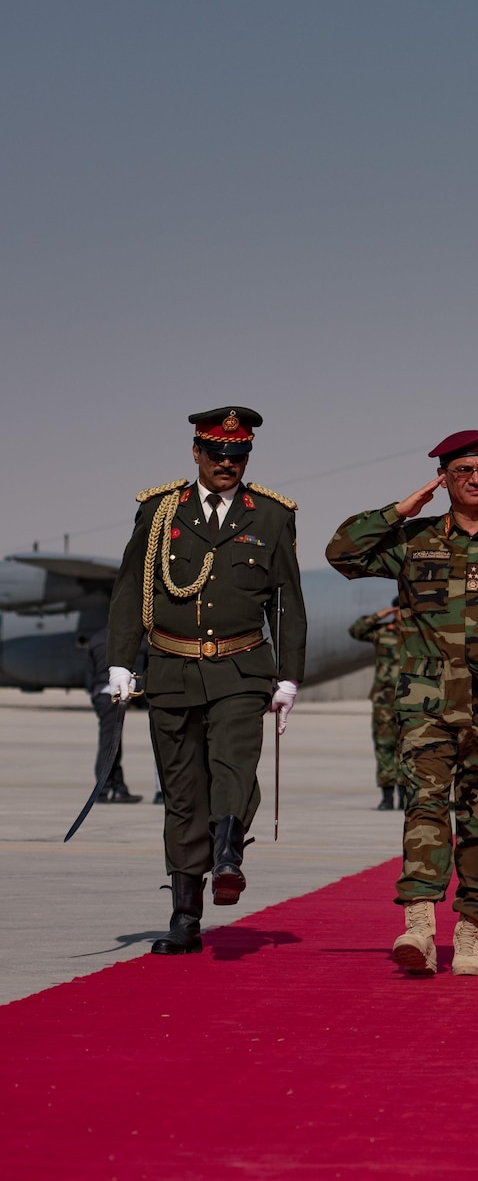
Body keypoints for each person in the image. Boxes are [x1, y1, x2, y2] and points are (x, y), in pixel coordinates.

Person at [326, 431, 478, 978]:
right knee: (426, 808)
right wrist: (400, 509)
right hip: (427, 702)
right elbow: (342, 552)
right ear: (445, 479)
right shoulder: (416, 537)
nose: (476, 478)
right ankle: (419, 930)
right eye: (463, 471)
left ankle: (472, 934)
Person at [106, 406, 305, 956]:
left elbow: (287, 601)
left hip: (242, 669)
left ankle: (227, 858)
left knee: (234, 766)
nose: (227, 464)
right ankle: (185, 916)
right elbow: (129, 590)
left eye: (237, 456)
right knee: (183, 793)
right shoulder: (159, 510)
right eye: (217, 454)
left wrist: (288, 677)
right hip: (171, 670)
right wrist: (121, 662)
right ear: (196, 452)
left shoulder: (270, 515)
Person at [349, 606, 407, 810]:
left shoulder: (417, 632)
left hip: (408, 699)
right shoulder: (383, 632)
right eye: (399, 610)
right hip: (384, 699)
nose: (402, 614)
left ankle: (404, 796)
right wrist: (380, 615)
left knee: (406, 748)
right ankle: (387, 797)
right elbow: (356, 630)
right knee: (384, 746)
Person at [83, 622, 141, 805]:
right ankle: (103, 789)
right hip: (114, 693)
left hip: (101, 692)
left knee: (114, 742)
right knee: (109, 743)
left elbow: (88, 673)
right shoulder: (121, 640)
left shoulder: (96, 639)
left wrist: (93, 692)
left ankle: (118, 787)